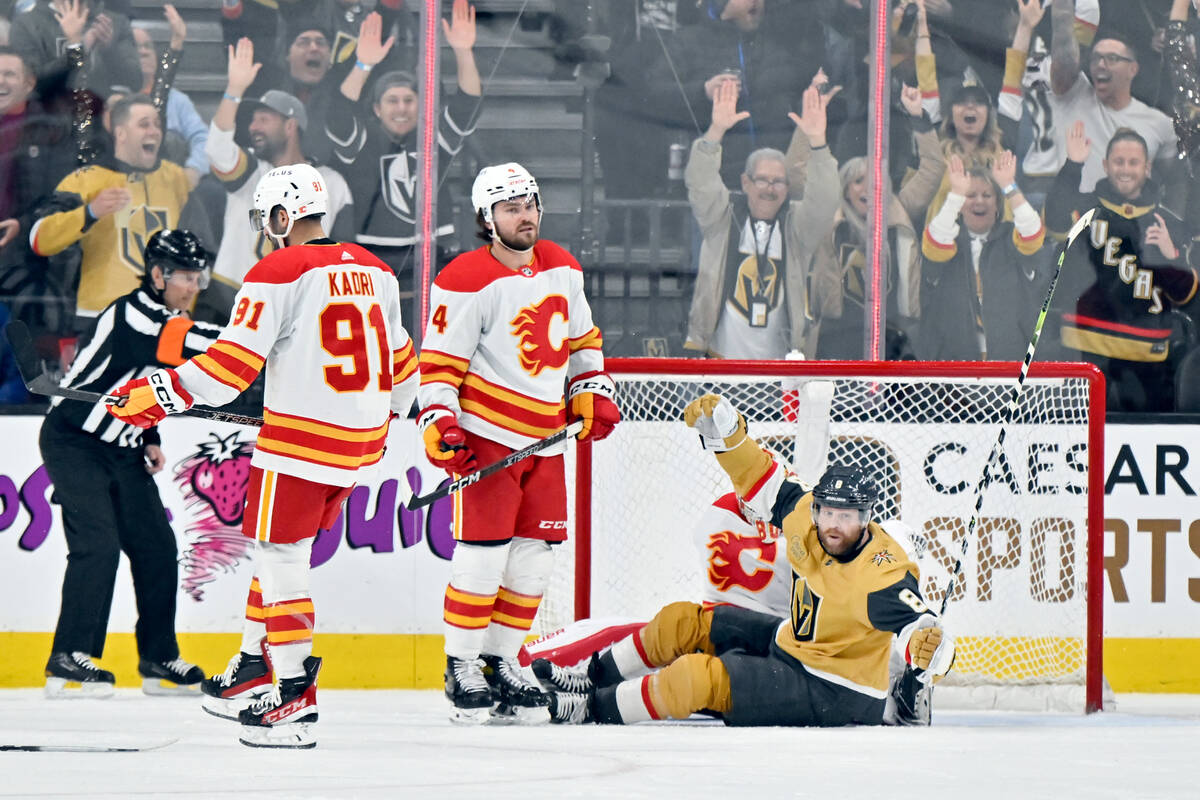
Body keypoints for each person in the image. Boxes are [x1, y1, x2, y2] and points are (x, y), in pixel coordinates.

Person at [106, 163, 419, 748]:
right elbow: (401, 360)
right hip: (359, 446)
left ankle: (295, 693)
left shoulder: (278, 268)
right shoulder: (375, 270)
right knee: (283, 551)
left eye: (267, 219)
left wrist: (158, 394)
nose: (265, 231)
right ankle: (254, 664)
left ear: (282, 216)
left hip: (299, 447)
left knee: (280, 557)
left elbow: (229, 369)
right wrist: (396, 409)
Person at [537, 397, 955, 727]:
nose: (833, 525)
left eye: (846, 518)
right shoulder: (806, 519)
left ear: (866, 519)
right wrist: (731, 436)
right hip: (794, 643)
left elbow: (923, 627)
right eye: (827, 512)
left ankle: (590, 707)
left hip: (833, 690)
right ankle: (592, 676)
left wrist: (930, 645)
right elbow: (762, 475)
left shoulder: (879, 574)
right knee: (683, 620)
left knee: (698, 678)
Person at [417, 161, 621, 725]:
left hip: (546, 444)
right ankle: (460, 666)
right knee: (482, 560)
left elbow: (583, 342)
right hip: (488, 443)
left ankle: (501, 662)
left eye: (530, 203)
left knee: (532, 564)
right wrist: (440, 421)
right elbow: (436, 368)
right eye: (511, 207)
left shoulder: (563, 267)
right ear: (488, 218)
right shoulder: (464, 278)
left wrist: (591, 390)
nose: (525, 215)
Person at [40, 228, 220, 699]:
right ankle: (67, 659)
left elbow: (147, 383)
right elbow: (175, 350)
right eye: (185, 276)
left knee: (157, 549)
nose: (193, 287)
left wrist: (150, 434)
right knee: (97, 546)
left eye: (198, 277)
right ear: (157, 275)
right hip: (74, 442)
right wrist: (263, 343)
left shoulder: (165, 314)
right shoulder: (135, 313)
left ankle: (159, 660)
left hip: (123, 447)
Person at [325, 3, 479, 294]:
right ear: (376, 109)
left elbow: (468, 103)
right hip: (374, 255)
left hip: (433, 254)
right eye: (392, 101)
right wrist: (363, 65)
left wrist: (463, 51)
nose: (401, 108)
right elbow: (338, 115)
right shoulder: (364, 140)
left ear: (421, 105)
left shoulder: (433, 138)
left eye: (409, 100)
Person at [1046, 124, 1198, 413]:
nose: (1125, 169)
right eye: (1118, 162)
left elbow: (1189, 299)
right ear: (1105, 165)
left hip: (1150, 360)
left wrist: (1171, 255)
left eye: (1133, 162)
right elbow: (1053, 220)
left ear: (1147, 167)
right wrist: (1073, 165)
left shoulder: (1170, 226)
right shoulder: (1084, 209)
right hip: (1084, 353)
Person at [200, 37, 354, 322]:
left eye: (263, 119)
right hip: (232, 304)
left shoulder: (332, 184)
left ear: (290, 126)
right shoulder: (250, 172)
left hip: (297, 309)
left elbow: (343, 257)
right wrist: (234, 90)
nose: (253, 127)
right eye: (252, 120)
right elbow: (217, 149)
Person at [682, 82, 839, 359]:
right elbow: (700, 181)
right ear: (745, 182)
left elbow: (825, 201)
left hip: (779, 372)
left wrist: (817, 142)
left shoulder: (796, 227)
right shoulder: (722, 217)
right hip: (720, 364)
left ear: (787, 187)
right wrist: (716, 131)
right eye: (762, 180)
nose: (769, 188)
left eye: (778, 181)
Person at [29, 94, 193, 326]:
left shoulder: (176, 179)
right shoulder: (86, 180)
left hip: (163, 319)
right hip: (100, 317)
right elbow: (39, 239)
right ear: (121, 133)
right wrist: (89, 213)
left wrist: (186, 305)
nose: (154, 131)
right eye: (144, 124)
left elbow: (198, 250)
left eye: (157, 124)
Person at [919, 151, 1046, 360]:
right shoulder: (949, 239)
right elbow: (933, 244)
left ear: (997, 205)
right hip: (955, 368)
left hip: (1009, 367)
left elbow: (1033, 233)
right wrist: (955, 196)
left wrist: (1009, 186)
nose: (979, 201)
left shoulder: (1011, 239)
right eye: (970, 195)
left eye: (987, 195)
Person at [1046, 0, 1177, 192]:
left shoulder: (1160, 123)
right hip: (1071, 216)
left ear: (1133, 69)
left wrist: (1172, 219)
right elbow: (1063, 47)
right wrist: (1061, 9)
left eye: (1112, 59)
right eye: (1096, 58)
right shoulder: (1073, 96)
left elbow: (1176, 182)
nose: (1101, 64)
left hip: (1128, 219)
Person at [131, 7, 209, 186]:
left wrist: (193, 170)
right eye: (136, 46)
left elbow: (203, 139)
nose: (144, 52)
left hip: (174, 179)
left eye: (148, 46)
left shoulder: (178, 101)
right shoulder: (117, 100)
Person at [11, 0, 141, 97]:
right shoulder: (26, 25)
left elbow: (134, 82)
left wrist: (110, 51)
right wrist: (76, 47)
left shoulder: (115, 22)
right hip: (52, 122)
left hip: (102, 120)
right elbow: (32, 85)